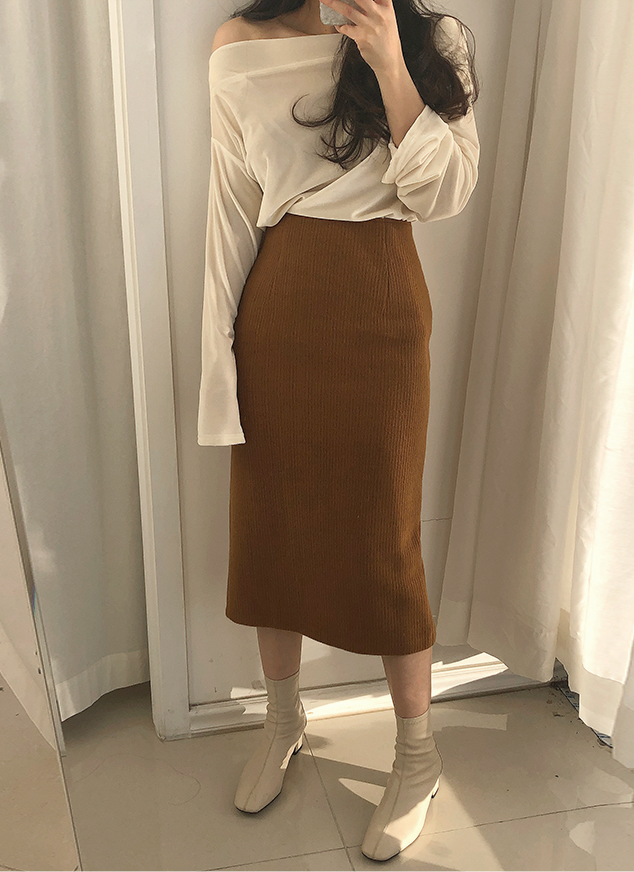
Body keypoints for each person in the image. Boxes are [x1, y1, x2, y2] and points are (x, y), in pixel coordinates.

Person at [199, 0, 480, 860]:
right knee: (270, 527)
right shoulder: (237, 45)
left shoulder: (433, 39)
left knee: (386, 540)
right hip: (279, 308)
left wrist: (390, 61)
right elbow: (230, 208)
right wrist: (217, 365)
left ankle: (417, 757)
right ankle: (283, 721)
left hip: (382, 305)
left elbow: (445, 193)